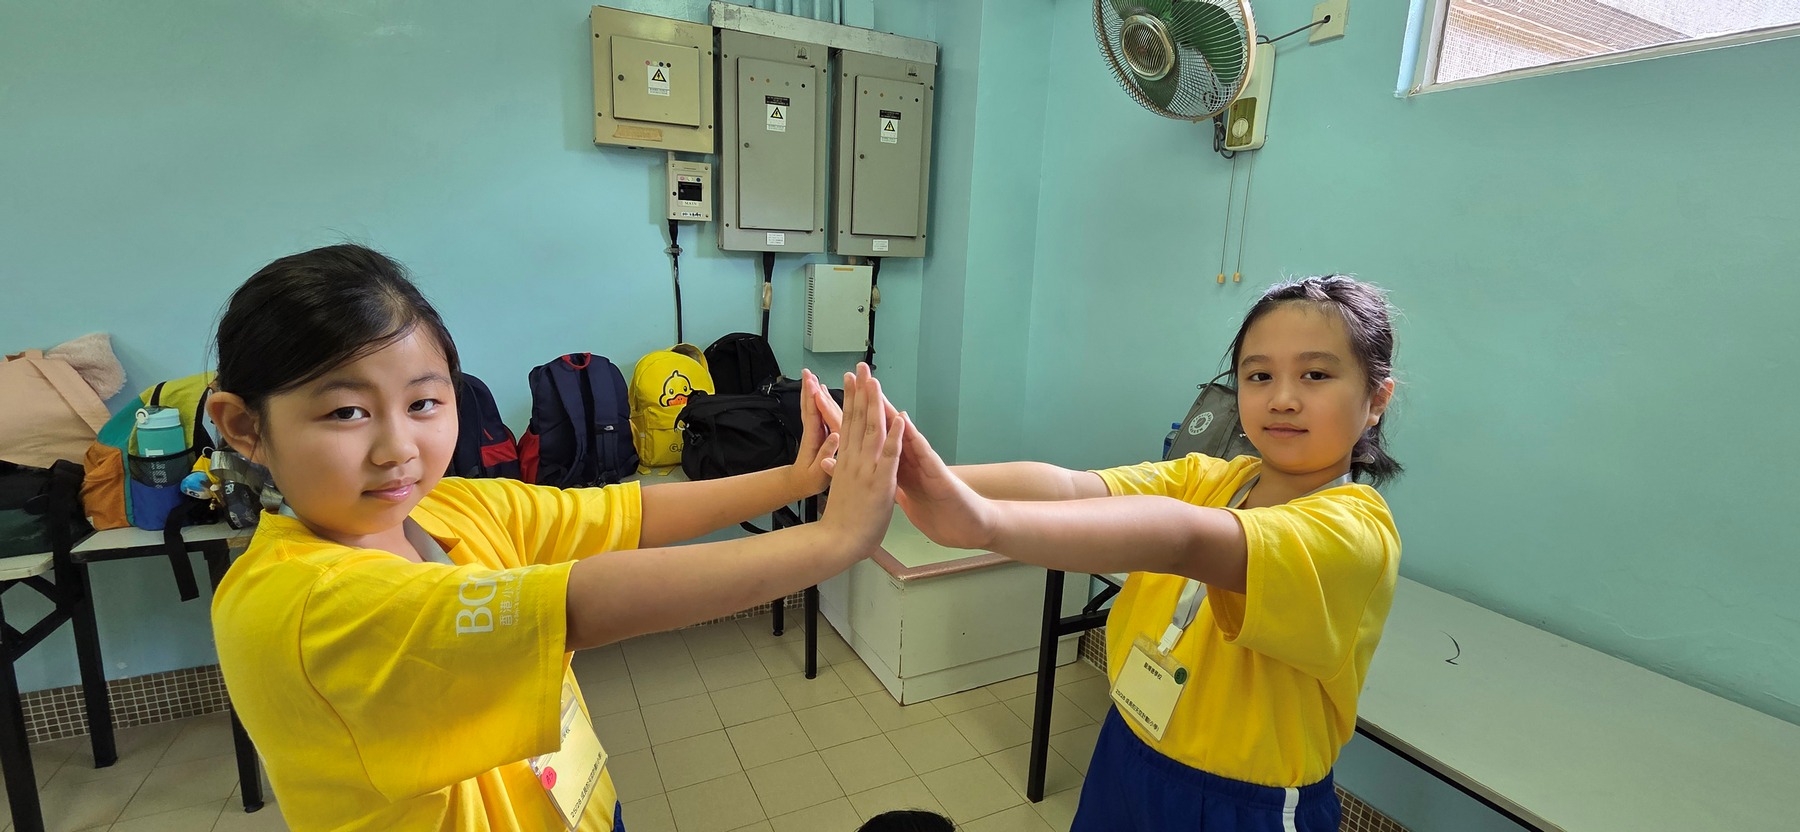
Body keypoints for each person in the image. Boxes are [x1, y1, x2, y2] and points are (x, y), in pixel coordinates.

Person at [206, 244, 905, 831]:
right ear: (243, 426)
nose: (398, 448)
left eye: (423, 402)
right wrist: (834, 541)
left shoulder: (447, 508)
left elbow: (627, 513)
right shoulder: (302, 602)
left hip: (575, 806)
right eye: (346, 412)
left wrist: (794, 480)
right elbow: (576, 603)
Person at [822, 275, 1403, 831]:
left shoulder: (1354, 527)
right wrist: (901, 471)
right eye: (1259, 376)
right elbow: (1071, 487)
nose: (1282, 399)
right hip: (1129, 745)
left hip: (1246, 801)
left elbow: (1182, 538)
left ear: (1376, 399)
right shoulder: (1213, 477)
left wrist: (985, 523)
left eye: (1316, 375)